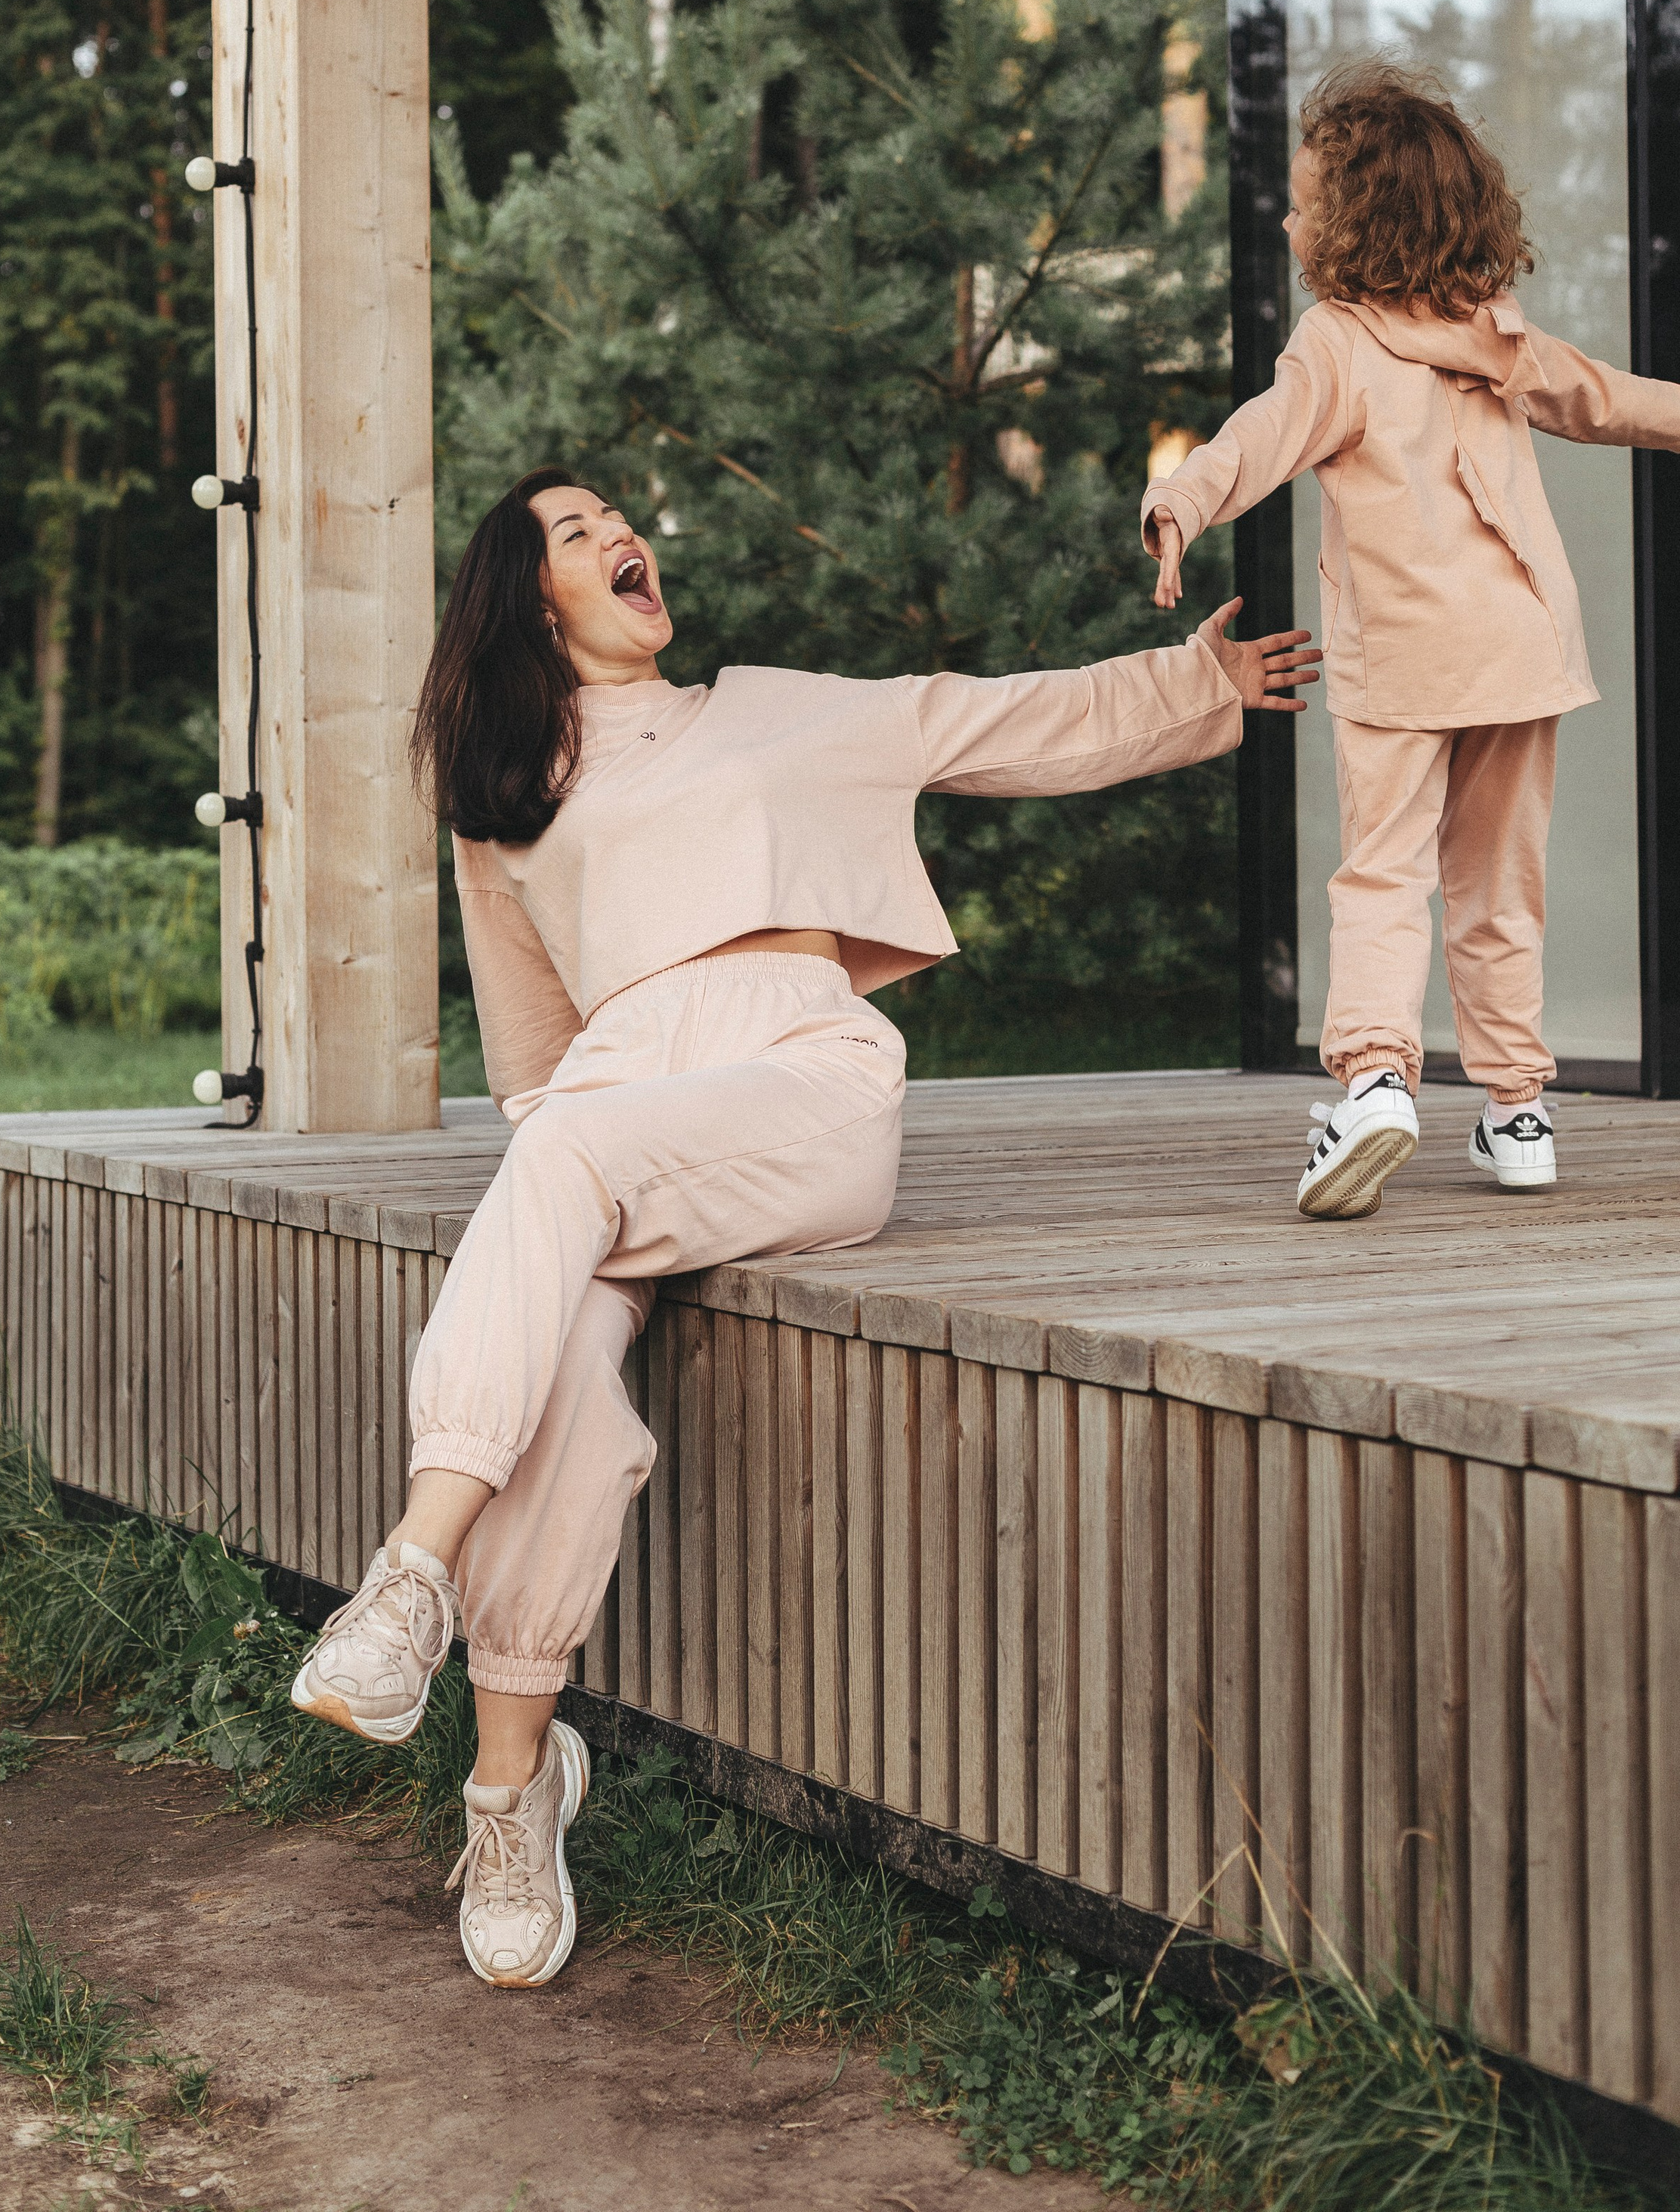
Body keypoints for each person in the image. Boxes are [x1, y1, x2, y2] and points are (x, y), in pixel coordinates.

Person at [289, 468, 1320, 1988]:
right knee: (561, 1372)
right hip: (619, 1114)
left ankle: (406, 1578)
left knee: (564, 1170)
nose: (614, 536)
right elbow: (533, 1064)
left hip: (796, 1082)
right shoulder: (505, 802)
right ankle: (511, 1787)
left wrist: (1197, 685)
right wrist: (557, 1233)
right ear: (529, 601)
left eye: (614, 521)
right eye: (572, 534)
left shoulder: (772, 710)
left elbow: (989, 718)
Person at [1143, 60, 1680, 1221]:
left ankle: (1376, 1079)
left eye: (1300, 202)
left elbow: (1258, 438)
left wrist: (1180, 503)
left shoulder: (1337, 344)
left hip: (1406, 666)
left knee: (1382, 874)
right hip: (1523, 651)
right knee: (1501, 885)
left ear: (1354, 226)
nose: (1286, 217)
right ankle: (1517, 1110)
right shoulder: (1492, 333)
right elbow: (1609, 398)